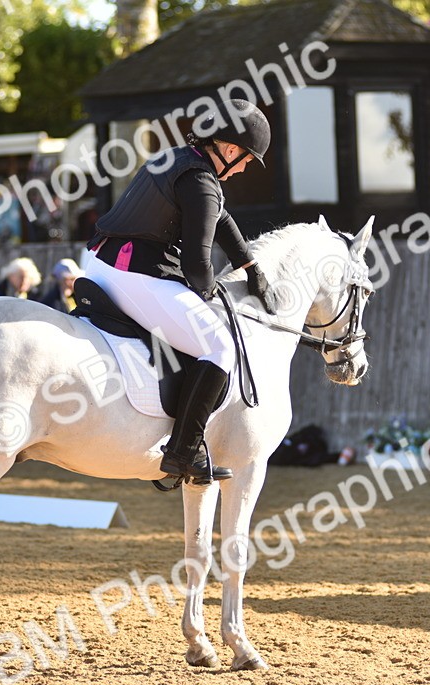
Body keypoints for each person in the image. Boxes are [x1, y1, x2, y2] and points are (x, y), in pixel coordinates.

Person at [82, 98, 276, 485]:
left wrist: (250, 267)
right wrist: (210, 297)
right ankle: (184, 450)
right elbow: (197, 265)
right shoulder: (201, 181)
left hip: (100, 264)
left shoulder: (177, 159)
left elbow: (220, 217)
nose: (243, 170)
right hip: (135, 275)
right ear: (231, 149)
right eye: (247, 161)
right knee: (220, 347)